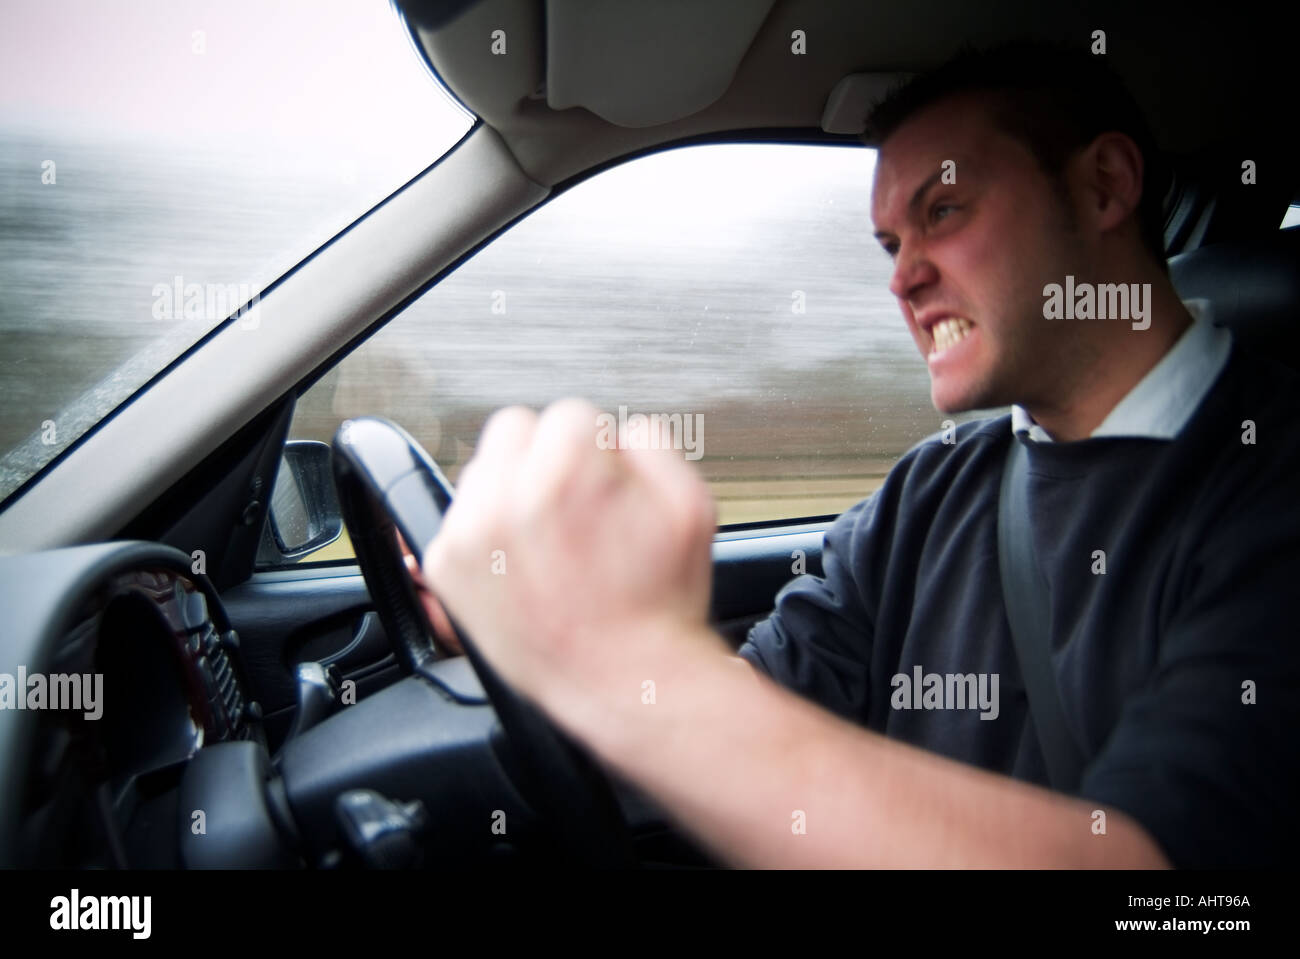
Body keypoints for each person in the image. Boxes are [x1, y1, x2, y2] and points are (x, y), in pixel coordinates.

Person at [412, 42, 1300, 868]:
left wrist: (627, 663)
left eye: (942, 211)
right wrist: (535, 607)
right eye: (890, 243)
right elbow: (764, 701)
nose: (901, 275)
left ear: (1105, 187)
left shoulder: (1271, 488)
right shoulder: (937, 485)